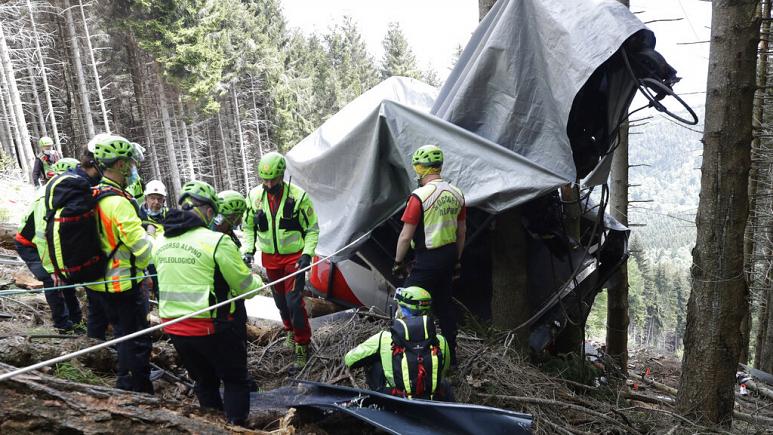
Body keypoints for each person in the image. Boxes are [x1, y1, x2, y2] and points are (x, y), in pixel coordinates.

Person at [155, 181, 263, 426]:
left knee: (204, 382)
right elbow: (245, 288)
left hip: (175, 327)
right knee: (235, 379)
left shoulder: (161, 241)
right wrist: (256, 279)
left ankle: (214, 427)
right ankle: (236, 427)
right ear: (209, 211)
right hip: (214, 327)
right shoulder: (216, 241)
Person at [87, 134, 154, 393]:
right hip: (123, 282)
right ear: (119, 165)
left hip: (100, 282)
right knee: (135, 339)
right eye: (128, 162)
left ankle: (128, 381)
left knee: (121, 336)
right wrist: (154, 242)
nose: (132, 167)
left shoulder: (94, 194)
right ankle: (136, 390)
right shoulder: (118, 202)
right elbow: (141, 247)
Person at [242, 152, 319, 371]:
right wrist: (248, 250)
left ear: (281, 175)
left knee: (294, 301)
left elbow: (312, 229)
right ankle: (288, 329)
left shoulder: (299, 197)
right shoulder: (255, 197)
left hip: (294, 258)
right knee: (280, 301)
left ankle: (302, 344)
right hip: (269, 258)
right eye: (264, 180)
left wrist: (307, 254)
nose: (268, 184)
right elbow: (248, 227)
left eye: (272, 180)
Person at [393, 144, 466, 365]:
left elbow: (406, 236)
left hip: (427, 258)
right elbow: (461, 231)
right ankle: (451, 357)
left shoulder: (419, 197)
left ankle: (403, 354)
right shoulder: (457, 193)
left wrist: (397, 262)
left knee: (406, 302)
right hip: (449, 256)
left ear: (421, 169)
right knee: (444, 304)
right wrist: (457, 261)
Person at [344, 286, 453, 400]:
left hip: (396, 399)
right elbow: (443, 371)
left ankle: (379, 402)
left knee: (373, 360)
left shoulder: (383, 338)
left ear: (402, 308)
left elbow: (349, 360)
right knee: (445, 384)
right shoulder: (441, 341)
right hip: (429, 399)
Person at [15, 157, 82, 333]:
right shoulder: (46, 196)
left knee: (66, 278)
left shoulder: (62, 195)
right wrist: (52, 270)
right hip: (30, 245)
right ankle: (62, 324)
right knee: (51, 280)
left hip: (47, 245)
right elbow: (42, 238)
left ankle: (76, 320)